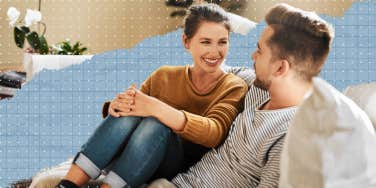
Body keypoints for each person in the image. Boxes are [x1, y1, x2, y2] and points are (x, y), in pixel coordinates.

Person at [54, 3, 248, 188]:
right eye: (206, 42)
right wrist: (115, 106)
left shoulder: (233, 86)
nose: (215, 51)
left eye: (222, 42)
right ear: (186, 42)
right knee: (136, 108)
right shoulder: (164, 75)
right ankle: (67, 184)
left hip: (169, 166)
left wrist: (157, 108)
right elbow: (132, 114)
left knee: (156, 123)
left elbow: (214, 133)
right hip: (125, 161)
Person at [149, 3, 334, 188]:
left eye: (260, 51)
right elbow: (218, 67)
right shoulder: (258, 88)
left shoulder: (290, 138)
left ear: (280, 68)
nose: (253, 56)